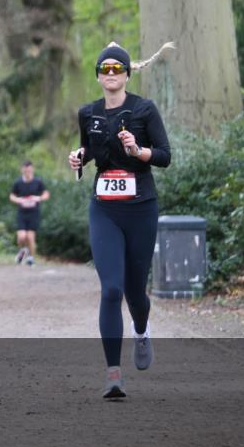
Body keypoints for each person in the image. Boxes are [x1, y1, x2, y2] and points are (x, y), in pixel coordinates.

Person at [68, 42, 171, 399]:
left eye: (117, 68)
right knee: (111, 289)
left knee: (134, 291)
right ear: (98, 75)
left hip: (141, 207)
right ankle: (113, 374)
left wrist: (137, 151)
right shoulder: (88, 113)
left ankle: (141, 330)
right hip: (105, 209)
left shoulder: (144, 109)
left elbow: (164, 155)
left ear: (127, 74)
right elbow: (87, 152)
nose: (111, 74)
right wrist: (78, 160)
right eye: (105, 69)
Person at [9, 160, 49, 266]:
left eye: (29, 170)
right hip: (22, 212)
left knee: (30, 237)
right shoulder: (18, 183)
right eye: (25, 171)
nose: (27, 173)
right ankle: (22, 251)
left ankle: (31, 258)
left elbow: (46, 194)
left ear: (32, 170)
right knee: (21, 236)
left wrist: (38, 198)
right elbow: (12, 196)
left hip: (34, 213)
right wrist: (18, 200)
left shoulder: (38, 182)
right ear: (22, 170)